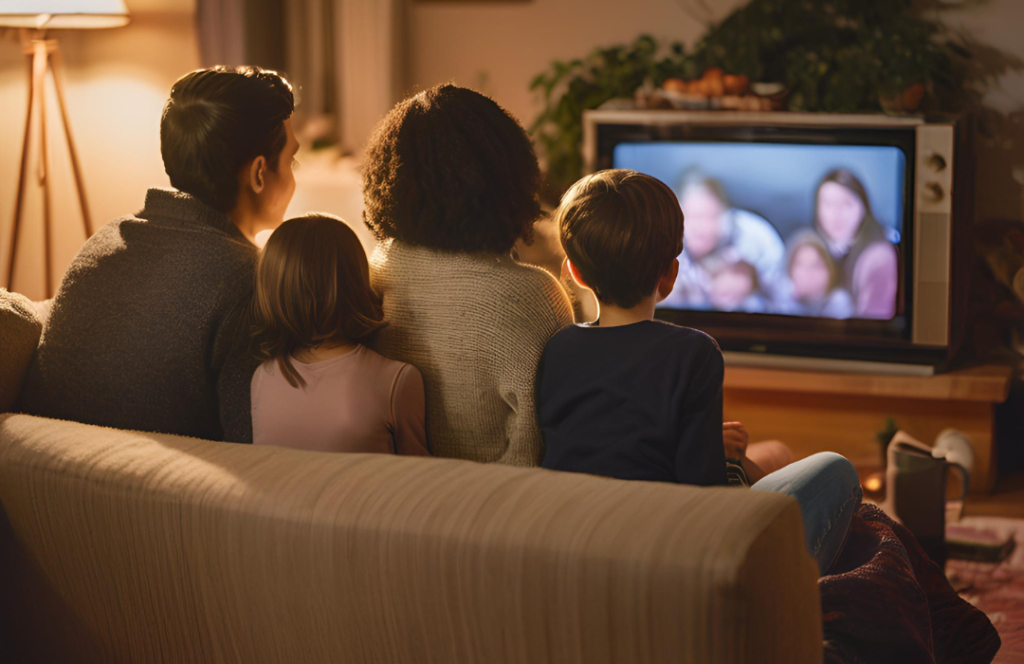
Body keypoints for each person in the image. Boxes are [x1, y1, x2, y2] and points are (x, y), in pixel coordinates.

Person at [537, 169, 861, 574]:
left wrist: (704, 441)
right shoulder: (694, 351)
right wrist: (727, 461)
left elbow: (603, 440)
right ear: (671, 276)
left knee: (776, 458)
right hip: (681, 558)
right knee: (836, 471)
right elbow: (705, 496)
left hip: (578, 544)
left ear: (576, 273)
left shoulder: (558, 348)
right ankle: (777, 589)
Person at [19, 66, 298, 443]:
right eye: (292, 161)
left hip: (37, 480)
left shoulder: (102, 241)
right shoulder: (250, 279)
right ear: (260, 173)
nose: (296, 175)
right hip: (154, 497)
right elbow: (252, 442)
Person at [361, 84, 573, 466]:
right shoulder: (533, 296)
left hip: (395, 498)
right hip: (490, 512)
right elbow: (539, 448)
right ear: (509, 175)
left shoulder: (380, 266)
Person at [249, 214, 429, 456]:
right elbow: (423, 480)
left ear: (271, 288)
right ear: (356, 281)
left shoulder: (262, 377)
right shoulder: (397, 380)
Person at [661, 172, 784, 311]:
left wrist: (754, 284)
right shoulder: (664, 245)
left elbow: (784, 298)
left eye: (709, 216)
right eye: (692, 216)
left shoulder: (756, 238)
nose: (700, 228)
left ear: (724, 216)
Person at [813, 169, 898, 319]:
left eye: (846, 204)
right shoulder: (818, 250)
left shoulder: (879, 258)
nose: (835, 214)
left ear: (863, 208)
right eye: (828, 204)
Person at [775, 230, 854, 319]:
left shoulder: (839, 303)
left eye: (816, 266)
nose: (808, 273)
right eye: (801, 265)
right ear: (790, 270)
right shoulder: (781, 301)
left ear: (830, 270)